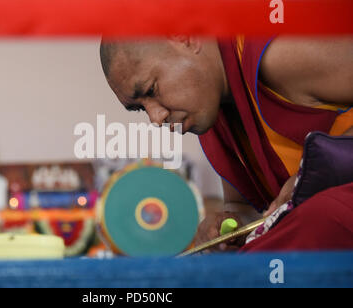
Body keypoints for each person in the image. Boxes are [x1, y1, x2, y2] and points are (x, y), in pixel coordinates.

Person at [99, 37, 353, 252]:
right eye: (139, 108)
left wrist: (320, 171)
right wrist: (227, 228)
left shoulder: (278, 56)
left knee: (319, 217)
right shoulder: (212, 112)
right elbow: (245, 207)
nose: (155, 118)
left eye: (151, 90)